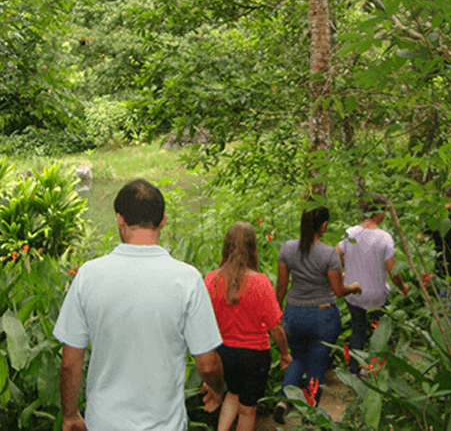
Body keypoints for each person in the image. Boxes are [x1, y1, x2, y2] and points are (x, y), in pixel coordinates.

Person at [54, 179, 224, 431]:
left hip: (104, 423)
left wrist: (70, 415)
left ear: (119, 219)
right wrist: (218, 388)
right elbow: (208, 364)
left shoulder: (89, 275)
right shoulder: (187, 279)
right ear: (163, 220)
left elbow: (70, 362)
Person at [274, 206, 361, 424]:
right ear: (323, 226)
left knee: (297, 357)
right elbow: (338, 291)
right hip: (322, 317)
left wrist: (277, 311)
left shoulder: (287, 249)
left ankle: (284, 401)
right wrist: (354, 287)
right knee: (317, 364)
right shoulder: (328, 253)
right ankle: (310, 415)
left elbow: (282, 284)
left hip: (294, 314)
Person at [204, 221, 292, 431]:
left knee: (232, 394)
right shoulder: (260, 282)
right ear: (253, 247)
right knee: (247, 409)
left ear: (226, 246)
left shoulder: (211, 280)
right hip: (254, 356)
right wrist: (284, 354)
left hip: (223, 353)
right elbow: (275, 327)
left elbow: (204, 323)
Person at [336, 194, 409, 375]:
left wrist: (344, 269)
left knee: (357, 329)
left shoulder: (350, 233)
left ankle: (355, 370)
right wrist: (403, 287)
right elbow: (393, 272)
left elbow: (335, 254)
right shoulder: (384, 238)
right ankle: (376, 370)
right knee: (378, 333)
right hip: (378, 295)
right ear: (379, 212)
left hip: (354, 293)